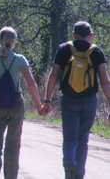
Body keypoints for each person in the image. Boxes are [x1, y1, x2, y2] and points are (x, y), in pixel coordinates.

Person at [42, 21, 110, 179]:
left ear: (74, 35)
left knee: (69, 136)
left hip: (69, 99)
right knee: (83, 137)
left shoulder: (64, 49)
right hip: (89, 101)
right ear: (90, 35)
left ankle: (68, 161)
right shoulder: (96, 52)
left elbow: (53, 75)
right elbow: (105, 81)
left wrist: (47, 100)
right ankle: (78, 173)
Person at [0, 27, 43, 179]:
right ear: (13, 42)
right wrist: (38, 104)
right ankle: (10, 176)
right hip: (15, 104)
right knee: (13, 142)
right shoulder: (19, 59)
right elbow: (31, 83)